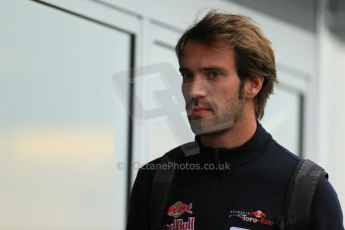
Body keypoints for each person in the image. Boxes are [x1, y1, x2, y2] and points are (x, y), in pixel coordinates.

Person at [126, 11, 344, 230]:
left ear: (254, 84)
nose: (194, 90)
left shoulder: (308, 193)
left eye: (213, 74)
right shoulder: (156, 180)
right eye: (187, 75)